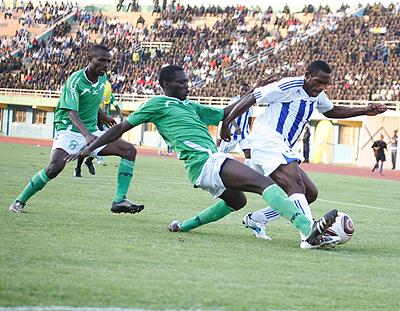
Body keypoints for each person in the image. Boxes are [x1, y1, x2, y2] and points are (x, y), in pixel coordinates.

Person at [65, 65, 341, 250]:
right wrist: (91, 144)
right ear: (165, 84)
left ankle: (182, 226)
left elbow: (224, 112)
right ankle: (307, 228)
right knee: (263, 183)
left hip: (204, 166)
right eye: (181, 82)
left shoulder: (190, 105)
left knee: (237, 201)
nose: (187, 85)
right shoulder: (156, 104)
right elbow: (121, 128)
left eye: (187, 81)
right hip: (204, 161)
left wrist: (255, 89)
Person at [220, 60, 387, 248]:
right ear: (307, 75)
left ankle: (257, 219)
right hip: (267, 139)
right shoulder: (288, 85)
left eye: (325, 84)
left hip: (280, 147)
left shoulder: (317, 94)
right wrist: (227, 122)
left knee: (309, 193)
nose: (321, 87)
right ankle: (309, 235)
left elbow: (332, 111)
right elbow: (253, 97)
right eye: (318, 82)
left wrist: (364, 110)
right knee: (295, 184)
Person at [10, 45, 144, 215]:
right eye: (102, 60)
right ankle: (19, 201)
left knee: (129, 150)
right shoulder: (75, 81)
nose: (106, 65)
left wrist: (102, 115)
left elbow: (90, 100)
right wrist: (86, 135)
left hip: (91, 129)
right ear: (89, 59)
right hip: (69, 128)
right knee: (53, 168)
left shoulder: (102, 79)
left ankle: (119, 200)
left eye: (109, 61)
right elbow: (71, 111)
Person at [219, 83, 254, 168]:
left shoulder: (250, 103)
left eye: (246, 90)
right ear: (239, 91)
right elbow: (229, 115)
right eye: (242, 90)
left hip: (244, 133)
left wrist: (248, 129)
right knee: (222, 153)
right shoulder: (234, 101)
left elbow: (249, 117)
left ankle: (248, 171)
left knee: (248, 153)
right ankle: (219, 168)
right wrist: (236, 126)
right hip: (231, 132)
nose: (244, 92)